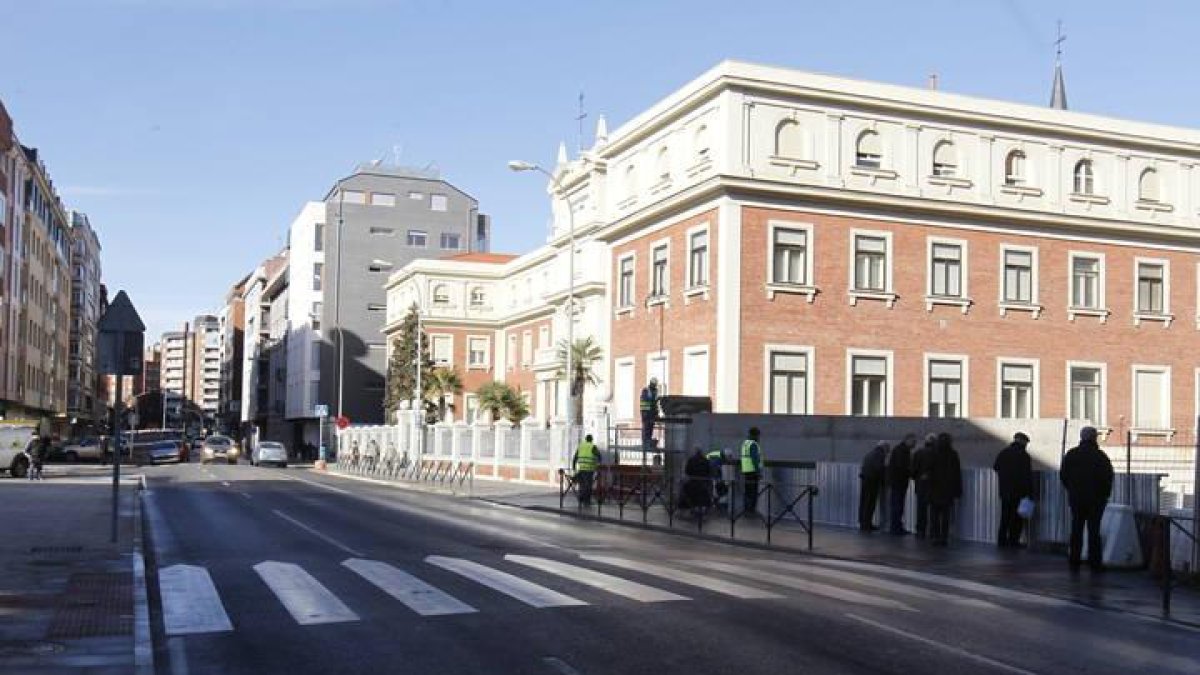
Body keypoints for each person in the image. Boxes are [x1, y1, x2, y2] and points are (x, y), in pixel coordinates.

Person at [1060, 426, 1114, 572]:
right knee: (1094, 530)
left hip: (1077, 498)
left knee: (1076, 527)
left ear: (1081, 437)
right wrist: (1104, 495)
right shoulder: (1100, 457)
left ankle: (1074, 558)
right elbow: (1108, 477)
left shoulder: (1072, 455)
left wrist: (1072, 489)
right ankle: (1094, 561)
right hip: (1096, 500)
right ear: (1094, 438)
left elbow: (1063, 476)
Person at [994, 432, 1035, 548]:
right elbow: (1027, 476)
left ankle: (1001, 540)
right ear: (1023, 442)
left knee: (1005, 517)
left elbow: (996, 467)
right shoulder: (1024, 456)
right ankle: (1013, 540)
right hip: (1019, 492)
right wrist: (1030, 493)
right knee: (1017, 518)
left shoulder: (1004, 453)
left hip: (1005, 491)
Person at [928, 432, 962, 546]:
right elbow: (957, 473)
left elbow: (929, 471)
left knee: (934, 515)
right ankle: (944, 537)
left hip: (934, 488)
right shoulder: (953, 454)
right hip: (948, 489)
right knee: (946, 515)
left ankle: (935, 536)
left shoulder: (933, 453)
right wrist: (958, 490)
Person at [887, 434, 916, 535]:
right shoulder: (903, 451)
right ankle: (896, 528)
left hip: (897, 481)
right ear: (907, 440)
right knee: (897, 505)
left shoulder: (900, 449)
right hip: (899, 482)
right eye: (913, 441)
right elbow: (902, 467)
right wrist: (911, 473)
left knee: (897, 505)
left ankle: (896, 527)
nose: (915, 444)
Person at [858, 441, 888, 531]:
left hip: (865, 480)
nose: (888, 452)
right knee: (870, 503)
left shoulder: (869, 453)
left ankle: (863, 523)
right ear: (884, 447)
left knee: (864, 502)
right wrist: (884, 481)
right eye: (888, 449)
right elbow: (879, 468)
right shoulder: (880, 454)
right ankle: (867, 524)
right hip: (873, 481)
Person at [911, 434, 936, 538]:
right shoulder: (936, 453)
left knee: (921, 509)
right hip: (934, 485)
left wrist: (918, 477)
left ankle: (920, 530)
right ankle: (933, 531)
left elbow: (913, 470)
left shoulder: (918, 453)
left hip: (920, 484)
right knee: (934, 509)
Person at [679, 447, 714, 514]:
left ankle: (687, 508)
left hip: (693, 482)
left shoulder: (691, 460)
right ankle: (704, 508)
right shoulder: (706, 460)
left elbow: (687, 471)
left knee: (684, 489)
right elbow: (709, 472)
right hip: (704, 483)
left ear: (694, 452)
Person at [740, 427, 764, 515]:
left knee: (748, 490)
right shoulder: (753, 444)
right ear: (755, 435)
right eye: (758, 435)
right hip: (753, 471)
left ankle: (747, 508)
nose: (759, 437)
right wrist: (758, 471)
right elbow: (755, 459)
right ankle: (751, 510)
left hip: (746, 470)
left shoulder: (746, 443)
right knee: (753, 491)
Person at [572, 434, 600, 506]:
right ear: (591, 439)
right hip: (589, 470)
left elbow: (575, 457)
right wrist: (598, 465)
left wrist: (574, 467)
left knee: (582, 485)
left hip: (581, 469)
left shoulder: (580, 446)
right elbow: (599, 456)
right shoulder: (592, 446)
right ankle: (586, 500)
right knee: (588, 486)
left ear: (586, 439)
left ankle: (582, 498)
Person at [639, 378, 660, 449]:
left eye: (655, 385)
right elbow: (644, 403)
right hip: (646, 414)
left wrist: (656, 413)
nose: (654, 386)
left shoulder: (655, 391)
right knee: (646, 428)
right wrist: (645, 414)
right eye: (653, 384)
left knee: (650, 428)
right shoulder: (646, 391)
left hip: (652, 414)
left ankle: (648, 442)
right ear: (651, 384)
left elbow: (655, 403)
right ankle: (645, 443)